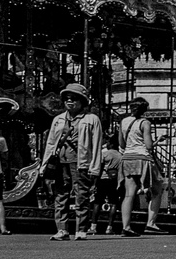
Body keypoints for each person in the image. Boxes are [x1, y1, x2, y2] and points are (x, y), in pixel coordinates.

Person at [43, 84, 102, 240]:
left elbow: (96, 144)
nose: (70, 102)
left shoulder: (91, 119)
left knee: (81, 196)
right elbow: (51, 142)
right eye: (67, 99)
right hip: (60, 162)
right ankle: (62, 229)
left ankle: (81, 229)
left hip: (80, 162)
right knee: (60, 195)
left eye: (74, 99)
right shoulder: (58, 119)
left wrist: (95, 168)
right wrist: (45, 164)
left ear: (82, 101)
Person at [119, 97, 164, 237]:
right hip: (143, 158)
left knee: (129, 194)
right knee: (157, 189)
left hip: (127, 158)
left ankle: (126, 226)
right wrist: (157, 141)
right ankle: (151, 223)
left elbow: (121, 143)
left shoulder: (123, 122)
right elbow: (149, 145)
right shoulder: (145, 123)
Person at [90, 130, 123, 234]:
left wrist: (94, 183)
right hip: (113, 181)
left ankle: (93, 226)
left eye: (108, 142)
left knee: (97, 203)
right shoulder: (120, 156)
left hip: (102, 179)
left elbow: (98, 169)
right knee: (113, 203)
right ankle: (109, 227)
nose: (106, 144)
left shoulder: (104, 154)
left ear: (111, 144)